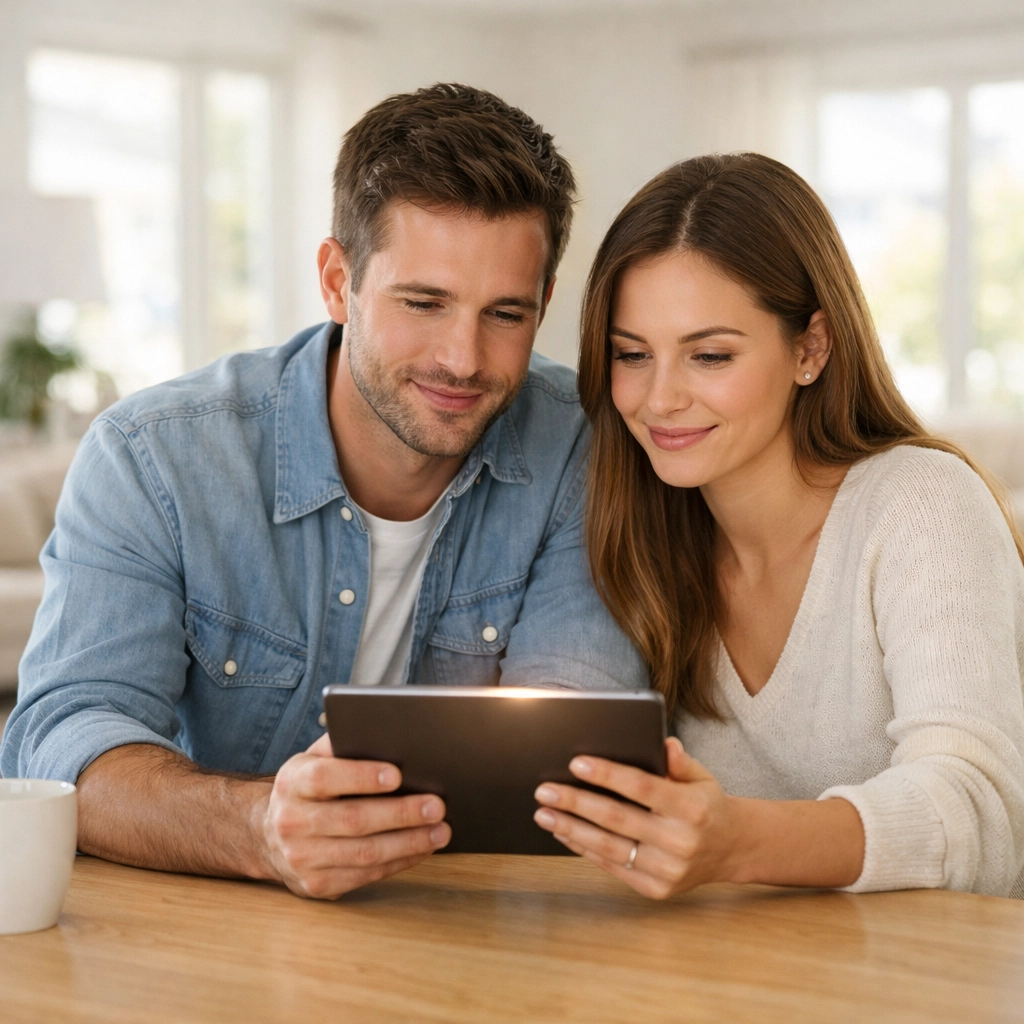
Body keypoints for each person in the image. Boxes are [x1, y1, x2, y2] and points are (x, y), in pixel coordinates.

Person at [0, 84, 646, 899]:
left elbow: (570, 755)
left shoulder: (583, 447)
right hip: (207, 931)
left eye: (506, 314)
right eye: (424, 302)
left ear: (546, 304)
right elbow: (62, 747)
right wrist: (260, 827)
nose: (464, 358)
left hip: (472, 931)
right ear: (338, 281)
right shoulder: (152, 458)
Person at [531, 153, 1024, 899]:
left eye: (710, 355)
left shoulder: (921, 504)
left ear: (810, 347)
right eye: (632, 355)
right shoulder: (642, 532)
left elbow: (982, 814)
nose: (659, 399)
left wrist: (739, 843)